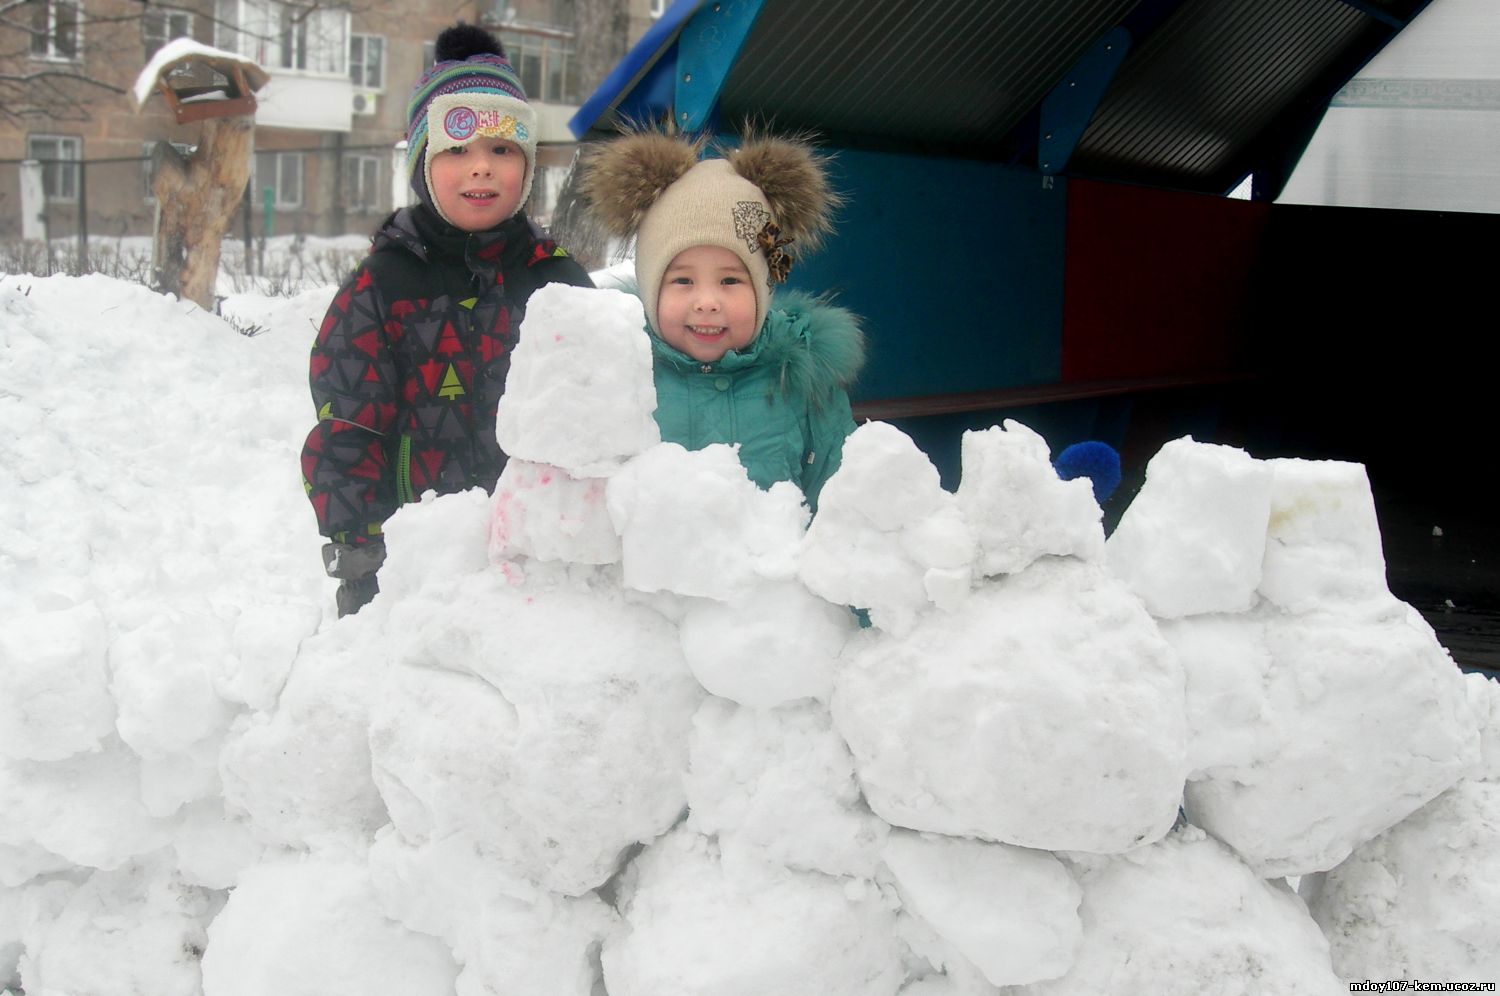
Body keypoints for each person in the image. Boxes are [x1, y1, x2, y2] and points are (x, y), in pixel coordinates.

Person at [301, 23, 592, 616]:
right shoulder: (382, 285)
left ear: (527, 166)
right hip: (416, 556)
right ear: (422, 165)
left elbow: (598, 411)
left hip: (538, 557)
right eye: (457, 150)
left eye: (502, 150)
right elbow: (348, 424)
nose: (480, 168)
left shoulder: (556, 279)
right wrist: (359, 548)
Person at [580, 131, 864, 509]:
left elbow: (844, 502)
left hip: (776, 565)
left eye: (730, 280)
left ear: (763, 289)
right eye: (683, 280)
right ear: (651, 289)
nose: (707, 302)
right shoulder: (619, 374)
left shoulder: (805, 381)